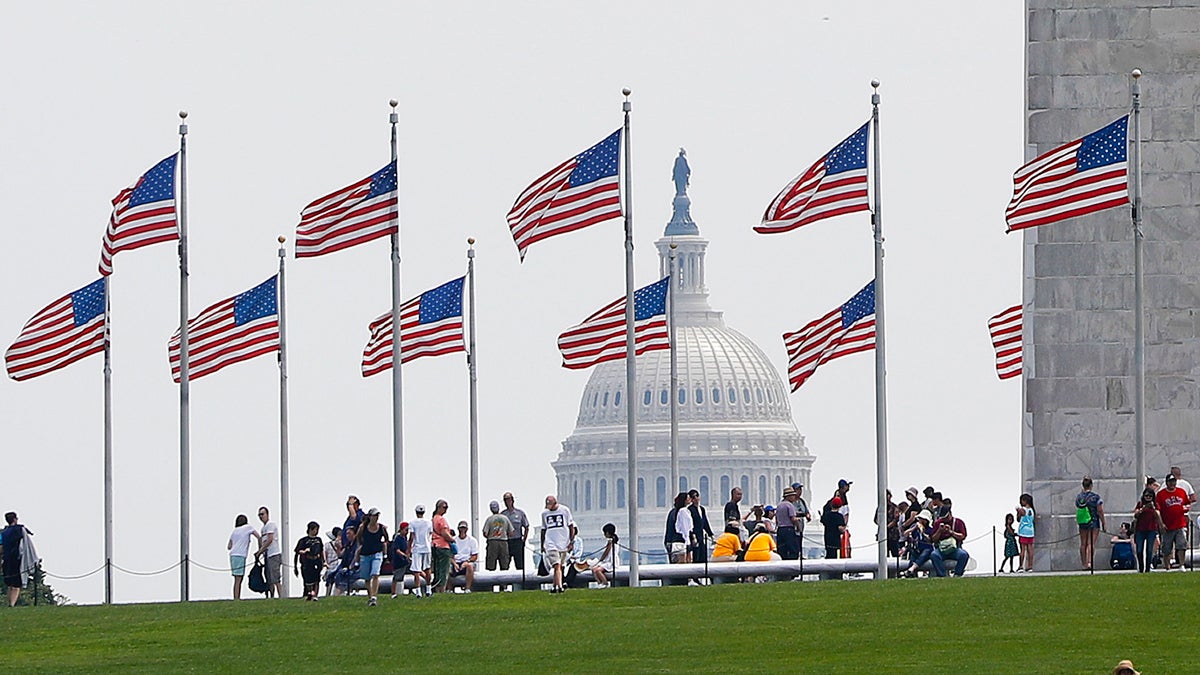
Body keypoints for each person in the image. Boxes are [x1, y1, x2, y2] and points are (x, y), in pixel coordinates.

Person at [540, 494, 576, 594]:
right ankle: (559, 587)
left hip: (563, 543)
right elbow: (543, 530)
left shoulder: (565, 510)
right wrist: (542, 544)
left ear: (555, 503)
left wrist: (571, 541)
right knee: (557, 565)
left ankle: (555, 586)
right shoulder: (544, 513)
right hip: (550, 543)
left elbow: (571, 526)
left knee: (561, 566)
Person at [1155, 473, 1189, 570]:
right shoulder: (1161, 495)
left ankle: (1181, 565)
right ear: (1167, 483)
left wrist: (1185, 510)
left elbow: (1187, 503)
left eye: (1173, 481)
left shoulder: (1181, 492)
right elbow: (1158, 510)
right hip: (1168, 526)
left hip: (1180, 524)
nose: (1172, 484)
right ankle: (1167, 567)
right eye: (1170, 482)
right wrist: (1161, 524)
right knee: (1166, 548)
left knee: (1181, 545)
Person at [357, 508, 389, 606]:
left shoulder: (381, 528)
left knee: (375, 574)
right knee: (367, 578)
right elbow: (358, 537)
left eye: (377, 516)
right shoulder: (363, 527)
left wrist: (384, 549)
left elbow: (386, 538)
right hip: (365, 554)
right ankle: (370, 596)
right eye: (374, 516)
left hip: (377, 553)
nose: (376, 518)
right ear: (370, 516)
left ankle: (374, 596)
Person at [929, 500, 969, 577]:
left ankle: (957, 574)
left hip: (954, 548)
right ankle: (942, 575)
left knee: (964, 555)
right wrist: (939, 531)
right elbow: (933, 539)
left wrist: (951, 532)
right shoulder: (937, 523)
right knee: (934, 555)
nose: (945, 520)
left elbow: (962, 536)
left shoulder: (958, 522)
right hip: (941, 549)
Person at [226, 514, 260, 600]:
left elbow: (229, 546)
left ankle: (236, 597)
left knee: (236, 578)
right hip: (241, 555)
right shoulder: (248, 527)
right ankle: (237, 598)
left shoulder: (235, 531)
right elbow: (258, 536)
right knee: (239, 579)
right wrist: (260, 548)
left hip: (233, 555)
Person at [1, 513, 31, 607]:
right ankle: (12, 604)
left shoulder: (3, 533)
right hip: (16, 559)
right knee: (16, 585)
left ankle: (10, 602)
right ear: (14, 519)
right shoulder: (19, 530)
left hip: (6, 559)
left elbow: (1, 547)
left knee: (9, 584)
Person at [1075, 476, 1105, 570]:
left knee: (1083, 543)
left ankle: (1083, 564)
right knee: (1091, 543)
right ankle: (1089, 562)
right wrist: (1103, 522)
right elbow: (1100, 510)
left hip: (1083, 521)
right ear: (1091, 485)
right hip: (1093, 521)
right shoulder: (1095, 497)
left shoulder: (1079, 497)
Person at [1132, 487, 1162, 573]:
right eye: (1146, 496)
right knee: (1139, 550)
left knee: (1149, 550)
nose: (1148, 498)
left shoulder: (1155, 505)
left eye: (1150, 496)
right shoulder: (1140, 504)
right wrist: (1143, 509)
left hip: (1151, 529)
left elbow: (1158, 515)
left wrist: (1153, 508)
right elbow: (1136, 514)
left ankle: (1148, 568)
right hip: (1140, 530)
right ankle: (1141, 567)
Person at [293, 520, 325, 601]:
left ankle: (315, 595)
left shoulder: (319, 540)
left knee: (317, 579)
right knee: (308, 580)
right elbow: (298, 551)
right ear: (310, 529)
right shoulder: (303, 540)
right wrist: (305, 551)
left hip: (316, 561)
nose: (316, 531)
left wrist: (324, 561)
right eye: (315, 529)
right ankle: (309, 593)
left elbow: (321, 550)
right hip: (307, 562)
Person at [256, 506, 283, 598]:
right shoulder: (263, 528)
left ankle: (281, 596)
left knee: (275, 578)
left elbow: (270, 539)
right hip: (267, 555)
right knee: (269, 578)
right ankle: (271, 596)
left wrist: (260, 551)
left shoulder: (270, 525)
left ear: (267, 514)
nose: (261, 516)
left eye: (262, 514)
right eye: (259, 515)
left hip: (273, 554)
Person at [501, 492, 530, 575]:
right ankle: (504, 586)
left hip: (517, 540)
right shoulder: (503, 514)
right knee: (505, 564)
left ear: (512, 500)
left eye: (509, 500)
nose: (507, 502)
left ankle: (521, 584)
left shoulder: (520, 513)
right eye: (505, 500)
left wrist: (524, 539)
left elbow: (526, 526)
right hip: (507, 541)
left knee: (520, 564)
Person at [430, 500, 455, 593]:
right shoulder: (441, 519)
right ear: (439, 507)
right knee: (443, 570)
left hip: (434, 546)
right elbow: (444, 533)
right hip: (443, 546)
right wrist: (452, 539)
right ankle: (441, 589)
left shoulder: (433, 519)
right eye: (444, 507)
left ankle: (436, 588)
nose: (446, 510)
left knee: (437, 569)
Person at [408, 504, 432, 597]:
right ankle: (428, 589)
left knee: (416, 570)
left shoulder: (412, 523)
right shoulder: (428, 522)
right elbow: (430, 533)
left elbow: (411, 536)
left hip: (417, 548)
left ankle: (418, 591)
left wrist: (409, 548)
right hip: (427, 547)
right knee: (427, 568)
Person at [901, 511, 934, 578]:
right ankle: (910, 572)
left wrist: (923, 532)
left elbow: (930, 540)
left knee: (925, 553)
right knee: (913, 555)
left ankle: (912, 568)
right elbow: (905, 534)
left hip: (927, 549)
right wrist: (914, 528)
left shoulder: (930, 529)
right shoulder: (915, 528)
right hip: (917, 549)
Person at [687, 489, 713, 565]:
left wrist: (710, 534)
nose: (696, 499)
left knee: (703, 555)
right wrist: (692, 536)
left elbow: (705, 522)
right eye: (694, 497)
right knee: (696, 556)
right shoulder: (690, 510)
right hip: (694, 536)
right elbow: (690, 525)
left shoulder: (702, 509)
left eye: (697, 496)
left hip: (701, 536)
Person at [452, 521, 479, 592]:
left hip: (467, 562)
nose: (462, 530)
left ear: (467, 529)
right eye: (461, 528)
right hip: (456, 562)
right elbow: (450, 555)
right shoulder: (453, 540)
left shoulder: (472, 540)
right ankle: (449, 589)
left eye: (464, 528)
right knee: (447, 568)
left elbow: (475, 556)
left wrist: (467, 562)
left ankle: (467, 588)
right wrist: (454, 564)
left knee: (470, 566)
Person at [775, 486, 801, 560]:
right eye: (793, 495)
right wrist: (798, 527)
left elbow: (777, 519)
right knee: (793, 549)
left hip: (780, 530)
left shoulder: (779, 505)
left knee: (782, 550)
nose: (794, 497)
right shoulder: (789, 505)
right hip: (788, 529)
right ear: (788, 496)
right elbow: (793, 519)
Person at [667, 493, 693, 564]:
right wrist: (688, 543)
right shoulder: (683, 511)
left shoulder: (678, 511)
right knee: (683, 562)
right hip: (681, 541)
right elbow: (685, 529)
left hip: (679, 540)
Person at [591, 523, 618, 588]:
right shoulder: (611, 541)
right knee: (593, 569)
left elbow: (606, 552)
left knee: (597, 570)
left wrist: (601, 560)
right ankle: (600, 583)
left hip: (611, 562)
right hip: (607, 561)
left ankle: (605, 583)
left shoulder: (610, 542)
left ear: (608, 533)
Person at [390, 521, 411, 598]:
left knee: (414, 571)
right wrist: (404, 555)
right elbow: (397, 550)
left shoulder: (405, 538)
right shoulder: (398, 538)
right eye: (406, 530)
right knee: (396, 577)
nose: (407, 532)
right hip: (398, 561)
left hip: (405, 560)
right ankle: (393, 593)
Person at [1016, 493, 1035, 573]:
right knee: (1030, 549)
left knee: (1023, 549)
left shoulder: (1023, 509)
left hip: (1023, 531)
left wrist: (1018, 511)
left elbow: (1018, 519)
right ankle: (1030, 566)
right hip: (1030, 531)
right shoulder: (1031, 510)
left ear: (1025, 501)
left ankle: (1021, 566)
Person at [323, 527, 343, 596]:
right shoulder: (342, 543)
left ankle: (327, 594)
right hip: (339, 563)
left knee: (329, 581)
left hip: (330, 565)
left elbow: (324, 555)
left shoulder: (327, 544)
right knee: (339, 581)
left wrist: (325, 562)